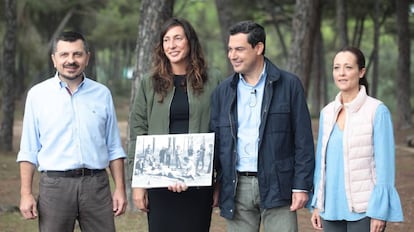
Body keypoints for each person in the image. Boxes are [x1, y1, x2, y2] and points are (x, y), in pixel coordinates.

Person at [17, 31, 127, 232]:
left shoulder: (102, 94)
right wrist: (26, 193)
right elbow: (29, 149)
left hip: (96, 186)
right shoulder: (37, 95)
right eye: (64, 55)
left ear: (87, 58)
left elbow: (113, 147)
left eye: (77, 54)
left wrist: (120, 189)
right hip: (55, 187)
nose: (71, 60)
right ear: (54, 59)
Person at [210, 20, 315, 232]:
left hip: (279, 183)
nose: (232, 55)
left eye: (239, 49)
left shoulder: (289, 85)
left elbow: (303, 140)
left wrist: (301, 185)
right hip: (236, 185)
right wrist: (215, 183)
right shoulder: (223, 91)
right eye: (230, 49)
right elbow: (217, 140)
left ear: (259, 48)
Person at [128, 17, 222, 232]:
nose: (172, 45)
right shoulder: (149, 82)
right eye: (166, 40)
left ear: (190, 42)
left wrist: (220, 180)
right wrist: (138, 182)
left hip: (199, 180)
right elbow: (138, 130)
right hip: (158, 180)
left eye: (178, 38)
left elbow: (222, 129)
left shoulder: (213, 79)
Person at [310, 47, 404, 232]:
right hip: (330, 209)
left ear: (361, 71)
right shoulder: (327, 113)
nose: (341, 73)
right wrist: (317, 204)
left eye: (348, 67)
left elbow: (385, 167)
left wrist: (379, 211)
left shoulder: (377, 111)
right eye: (336, 68)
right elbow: (321, 164)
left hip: (365, 209)